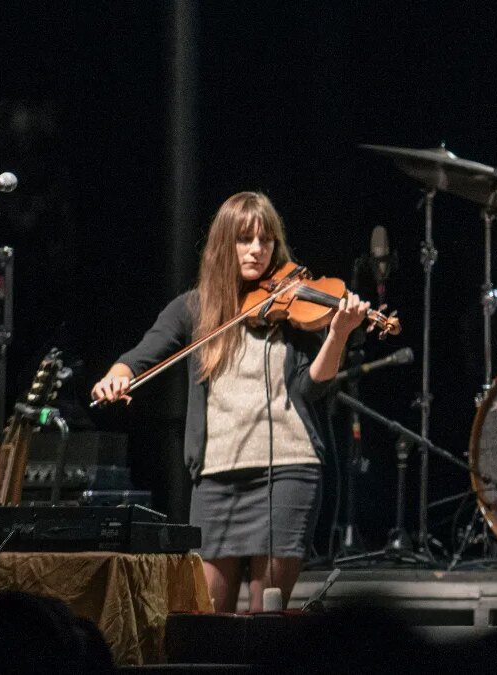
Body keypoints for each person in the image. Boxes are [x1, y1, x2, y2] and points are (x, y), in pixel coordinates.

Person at [91, 191, 368, 612]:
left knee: (266, 617)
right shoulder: (195, 308)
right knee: (210, 616)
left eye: (266, 240)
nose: (257, 250)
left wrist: (339, 333)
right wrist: (118, 374)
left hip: (288, 471)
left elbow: (314, 387)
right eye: (245, 239)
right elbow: (146, 351)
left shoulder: (293, 305)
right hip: (217, 478)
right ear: (224, 243)